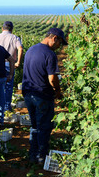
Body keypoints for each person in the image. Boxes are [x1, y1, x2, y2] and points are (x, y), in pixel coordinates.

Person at [22, 27, 67, 164]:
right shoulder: (49, 54)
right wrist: (58, 92)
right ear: (54, 38)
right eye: (60, 43)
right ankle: (41, 156)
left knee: (35, 125)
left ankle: (32, 154)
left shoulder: (31, 50)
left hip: (28, 93)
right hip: (42, 95)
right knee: (45, 126)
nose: (59, 47)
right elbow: (52, 78)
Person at [0, 21, 23, 112]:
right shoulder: (15, 38)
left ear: (2, 28)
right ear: (12, 29)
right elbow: (20, 48)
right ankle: (6, 108)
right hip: (9, 64)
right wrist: (17, 62)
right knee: (8, 87)